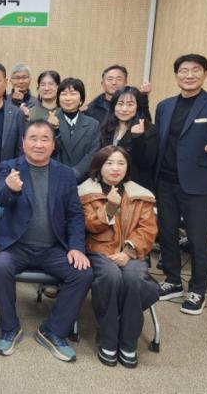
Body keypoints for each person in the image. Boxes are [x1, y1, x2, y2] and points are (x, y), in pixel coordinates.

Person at [0, 120, 93, 361]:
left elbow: (75, 214)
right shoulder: (9, 167)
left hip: (52, 248)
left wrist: (77, 248)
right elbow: (1, 200)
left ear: (53, 144)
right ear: (23, 142)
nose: (38, 144)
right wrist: (10, 189)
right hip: (16, 246)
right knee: (0, 265)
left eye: (44, 139)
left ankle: (53, 330)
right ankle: (10, 328)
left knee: (83, 273)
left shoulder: (65, 174)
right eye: (33, 139)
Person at [155, 54, 207, 315]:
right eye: (184, 70)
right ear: (176, 75)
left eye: (196, 70)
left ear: (205, 74)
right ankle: (173, 280)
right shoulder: (164, 106)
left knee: (198, 239)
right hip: (165, 181)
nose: (189, 75)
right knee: (167, 234)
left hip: (197, 184)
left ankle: (198, 289)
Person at [78, 146, 159, 368]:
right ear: (99, 166)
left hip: (132, 253)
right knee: (111, 276)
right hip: (98, 251)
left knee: (134, 278)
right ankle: (108, 338)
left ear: (127, 168)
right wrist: (110, 209)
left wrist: (128, 252)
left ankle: (128, 342)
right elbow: (87, 226)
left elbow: (148, 230)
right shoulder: (86, 192)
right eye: (109, 163)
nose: (115, 168)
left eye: (121, 163)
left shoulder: (141, 195)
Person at [99, 86, 158, 190]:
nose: (124, 109)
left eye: (130, 104)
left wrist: (138, 138)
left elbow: (146, 163)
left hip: (135, 187)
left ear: (138, 107)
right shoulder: (106, 127)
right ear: (113, 106)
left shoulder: (149, 129)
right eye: (120, 104)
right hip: (107, 185)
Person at [52, 77, 101, 183]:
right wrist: (54, 130)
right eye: (64, 94)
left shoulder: (93, 124)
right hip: (55, 177)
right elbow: (49, 151)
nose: (68, 98)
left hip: (83, 180)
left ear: (81, 99)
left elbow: (93, 154)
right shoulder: (48, 121)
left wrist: (76, 173)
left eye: (73, 94)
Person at [84, 65, 152, 124]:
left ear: (126, 82)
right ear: (102, 83)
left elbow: (147, 124)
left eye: (119, 79)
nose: (114, 82)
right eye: (110, 79)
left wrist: (143, 97)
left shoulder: (134, 103)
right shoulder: (91, 108)